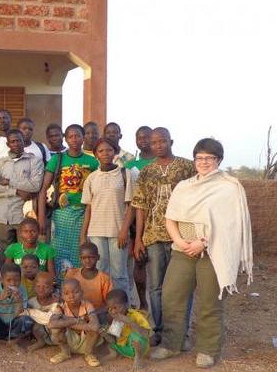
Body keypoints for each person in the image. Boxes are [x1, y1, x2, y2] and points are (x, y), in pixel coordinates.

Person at [150, 138, 253, 369]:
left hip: (212, 252)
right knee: (171, 295)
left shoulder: (229, 188)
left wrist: (203, 243)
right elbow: (170, 218)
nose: (204, 162)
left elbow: (230, 226)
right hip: (182, 249)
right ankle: (171, 344)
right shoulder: (184, 186)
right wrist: (179, 241)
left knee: (209, 301)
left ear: (218, 160)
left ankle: (208, 350)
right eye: (199, 158)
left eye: (209, 158)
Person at [131, 128, 195, 345]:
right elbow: (140, 205)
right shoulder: (147, 171)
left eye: (162, 141)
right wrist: (138, 238)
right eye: (154, 142)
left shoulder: (187, 167)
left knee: (182, 286)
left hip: (182, 236)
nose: (158, 145)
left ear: (171, 141)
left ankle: (180, 333)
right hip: (154, 236)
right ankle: (158, 331)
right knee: (155, 286)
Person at [37, 124, 98, 276]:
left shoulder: (92, 162)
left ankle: (78, 288)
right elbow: (43, 189)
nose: (74, 139)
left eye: (77, 136)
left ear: (83, 138)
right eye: (70, 136)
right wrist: (41, 218)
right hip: (61, 215)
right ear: (66, 139)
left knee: (80, 251)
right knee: (58, 253)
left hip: (84, 214)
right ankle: (59, 289)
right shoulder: (57, 159)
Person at [80, 137, 134, 294]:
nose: (105, 153)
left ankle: (122, 310)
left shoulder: (125, 174)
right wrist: (83, 235)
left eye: (109, 150)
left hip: (118, 232)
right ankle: (101, 307)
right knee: (99, 271)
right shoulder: (91, 178)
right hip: (96, 232)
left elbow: (131, 205)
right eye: (101, 151)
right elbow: (89, 208)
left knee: (119, 274)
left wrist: (124, 230)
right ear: (95, 154)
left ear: (115, 152)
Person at [0, 129, 44, 265]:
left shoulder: (34, 161)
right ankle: (5, 283)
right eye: (13, 141)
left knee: (25, 253)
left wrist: (9, 181)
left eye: (19, 140)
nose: (16, 144)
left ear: (24, 142)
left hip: (22, 216)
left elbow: (34, 185)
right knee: (4, 255)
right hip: (1, 216)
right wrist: (16, 191)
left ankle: (25, 284)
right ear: (8, 144)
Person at [123, 125, 154, 312]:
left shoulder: (161, 161)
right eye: (139, 137)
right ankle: (142, 302)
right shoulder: (130, 164)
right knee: (139, 262)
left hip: (158, 219)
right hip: (136, 220)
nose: (143, 140)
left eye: (146, 137)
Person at [48, 278, 101, 367]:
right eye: (66, 293)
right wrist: (74, 321)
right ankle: (65, 352)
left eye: (75, 292)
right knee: (55, 330)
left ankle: (88, 354)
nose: (71, 296)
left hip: (86, 341)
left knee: (95, 330)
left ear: (82, 293)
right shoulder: (60, 307)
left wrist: (67, 322)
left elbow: (95, 326)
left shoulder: (87, 305)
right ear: (62, 296)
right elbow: (51, 324)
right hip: (69, 340)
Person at [100, 289, 150, 369]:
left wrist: (129, 322)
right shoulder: (116, 319)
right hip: (124, 348)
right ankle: (113, 354)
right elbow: (113, 340)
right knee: (109, 340)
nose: (113, 312)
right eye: (110, 309)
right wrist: (105, 334)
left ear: (126, 305)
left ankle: (138, 358)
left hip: (139, 348)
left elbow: (145, 334)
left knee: (135, 337)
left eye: (115, 308)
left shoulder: (136, 315)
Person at [64, 242, 113, 322]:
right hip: (73, 313)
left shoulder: (104, 279)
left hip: (96, 314)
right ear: (80, 258)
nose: (87, 261)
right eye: (84, 258)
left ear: (98, 257)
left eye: (91, 257)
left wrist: (92, 314)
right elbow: (65, 295)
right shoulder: (72, 274)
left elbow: (109, 304)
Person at [23, 270, 60, 352]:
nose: (41, 289)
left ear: (51, 289)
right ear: (34, 287)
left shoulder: (56, 302)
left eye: (46, 287)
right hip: (38, 332)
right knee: (32, 323)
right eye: (38, 286)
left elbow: (51, 319)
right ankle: (40, 341)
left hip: (55, 334)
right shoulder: (31, 302)